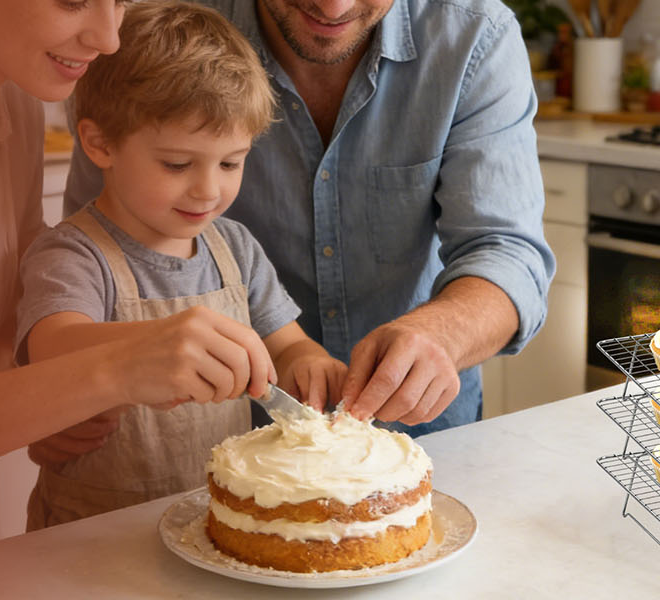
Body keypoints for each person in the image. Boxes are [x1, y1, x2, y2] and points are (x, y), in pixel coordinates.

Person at [0, 0, 273, 576]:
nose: (110, 37)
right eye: (74, 1)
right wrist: (114, 368)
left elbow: (0, 299)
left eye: (120, 0)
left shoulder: (15, 99)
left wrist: (54, 404)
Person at [60, 0, 556, 437]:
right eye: (176, 164)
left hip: (428, 436)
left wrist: (441, 333)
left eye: (231, 162)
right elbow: (100, 248)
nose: (335, 7)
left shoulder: (474, 35)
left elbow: (507, 253)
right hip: (227, 449)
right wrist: (65, 397)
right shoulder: (144, 38)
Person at [15, 0, 348, 530]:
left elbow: (287, 344)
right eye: (177, 164)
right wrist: (161, 343)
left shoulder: (234, 248)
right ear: (100, 143)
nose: (208, 189)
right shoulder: (74, 254)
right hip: (93, 537)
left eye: (231, 162)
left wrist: (309, 364)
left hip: (217, 524)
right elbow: (51, 347)